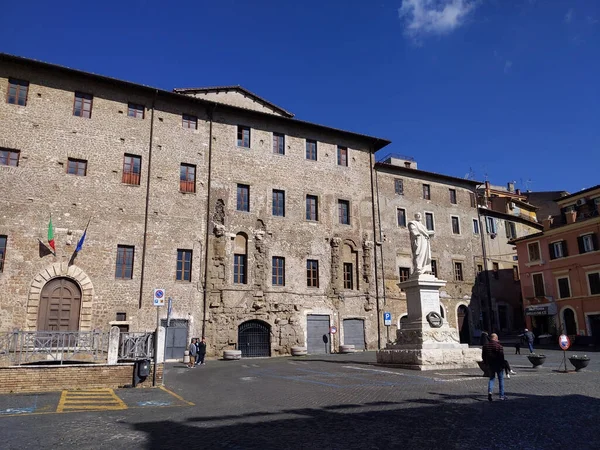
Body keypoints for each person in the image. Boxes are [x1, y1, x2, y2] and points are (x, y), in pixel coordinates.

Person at [407, 212, 435, 276]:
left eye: (419, 215)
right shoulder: (412, 223)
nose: (418, 216)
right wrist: (416, 233)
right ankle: (418, 268)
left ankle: (425, 269)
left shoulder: (423, 226)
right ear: (415, 216)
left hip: (425, 241)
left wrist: (430, 233)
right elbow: (412, 230)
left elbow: (426, 232)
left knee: (425, 254)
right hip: (419, 240)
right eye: (417, 215)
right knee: (418, 254)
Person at [482, 333, 506, 401]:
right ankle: (501, 396)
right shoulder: (499, 346)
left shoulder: (485, 346)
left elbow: (483, 356)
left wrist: (486, 363)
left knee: (491, 379)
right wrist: (503, 365)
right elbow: (501, 357)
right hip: (498, 365)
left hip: (490, 365)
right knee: (501, 380)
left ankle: (490, 392)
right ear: (496, 338)